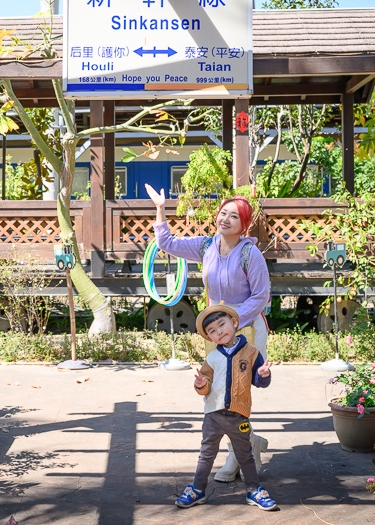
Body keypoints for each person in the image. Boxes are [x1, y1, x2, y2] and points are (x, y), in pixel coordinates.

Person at [146, 183, 270, 482]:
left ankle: (236, 455)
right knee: (216, 393)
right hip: (216, 330)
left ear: (244, 224)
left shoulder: (250, 254)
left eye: (234, 216)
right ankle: (249, 443)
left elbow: (261, 296)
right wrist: (161, 208)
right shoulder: (206, 246)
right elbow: (167, 243)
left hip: (246, 328)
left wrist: (233, 321)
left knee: (237, 393)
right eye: (223, 213)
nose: (225, 219)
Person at [175, 304, 278, 511]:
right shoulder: (212, 358)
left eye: (222, 325)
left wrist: (263, 375)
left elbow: (259, 381)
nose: (219, 331)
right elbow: (205, 386)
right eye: (212, 331)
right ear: (209, 337)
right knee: (206, 454)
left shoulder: (251, 353)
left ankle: (253, 490)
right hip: (213, 415)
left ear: (234, 322)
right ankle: (197, 489)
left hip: (239, 416)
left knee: (245, 455)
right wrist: (201, 384)